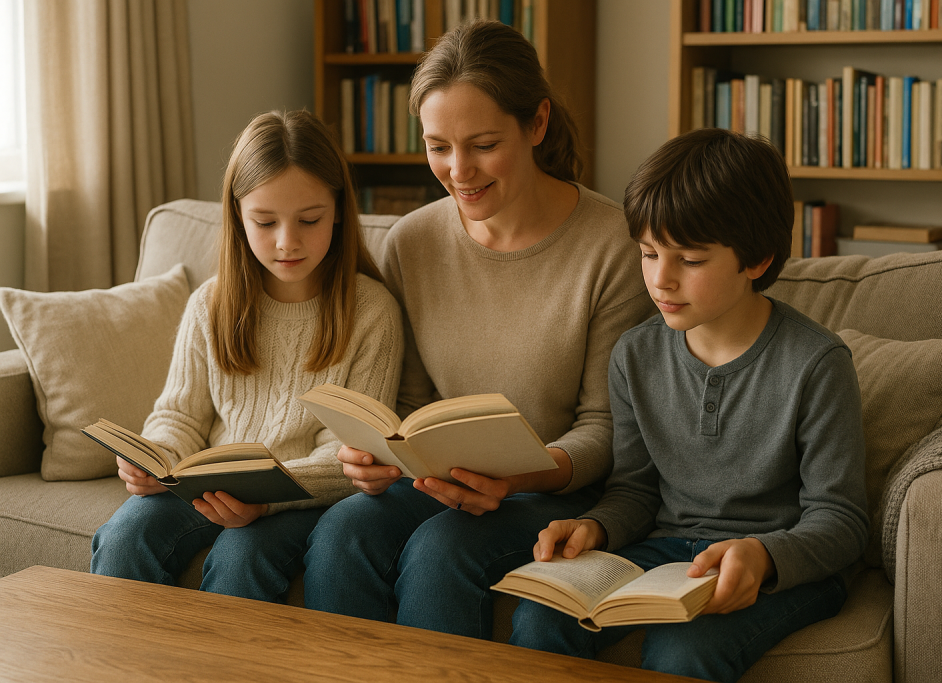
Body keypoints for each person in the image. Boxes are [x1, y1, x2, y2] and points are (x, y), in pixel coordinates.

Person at [303, 20, 654, 638]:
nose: (458, 170)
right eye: (438, 146)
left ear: (537, 124)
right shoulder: (411, 242)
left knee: (443, 554)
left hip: (554, 489)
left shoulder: (613, 246)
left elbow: (606, 431)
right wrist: (375, 458)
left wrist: (517, 477)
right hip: (442, 480)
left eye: (483, 144)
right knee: (341, 532)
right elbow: (411, 406)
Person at [508, 128, 870, 683]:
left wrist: (764, 556)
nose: (660, 278)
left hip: (781, 567)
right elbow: (634, 489)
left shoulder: (817, 363)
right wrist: (595, 528)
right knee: (540, 620)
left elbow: (842, 521)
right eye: (649, 253)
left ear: (756, 259)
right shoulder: (635, 353)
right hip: (667, 550)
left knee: (684, 653)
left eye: (690, 259)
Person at [91, 110, 403, 602]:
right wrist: (156, 457)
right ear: (238, 216)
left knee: (242, 558)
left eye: (309, 219)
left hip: (299, 499)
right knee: (125, 536)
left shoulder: (370, 312)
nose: (287, 241)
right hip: (208, 486)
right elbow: (179, 416)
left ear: (340, 210)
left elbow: (350, 454)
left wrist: (263, 499)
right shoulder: (210, 305)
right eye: (264, 221)